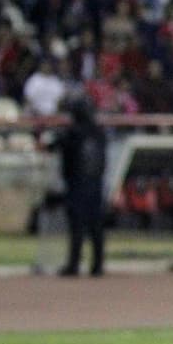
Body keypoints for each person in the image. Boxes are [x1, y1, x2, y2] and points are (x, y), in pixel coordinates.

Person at [51, 96, 107, 276]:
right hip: (96, 182)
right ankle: (97, 264)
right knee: (95, 225)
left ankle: (74, 264)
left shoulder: (73, 133)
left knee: (77, 225)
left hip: (78, 182)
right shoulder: (99, 132)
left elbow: (57, 146)